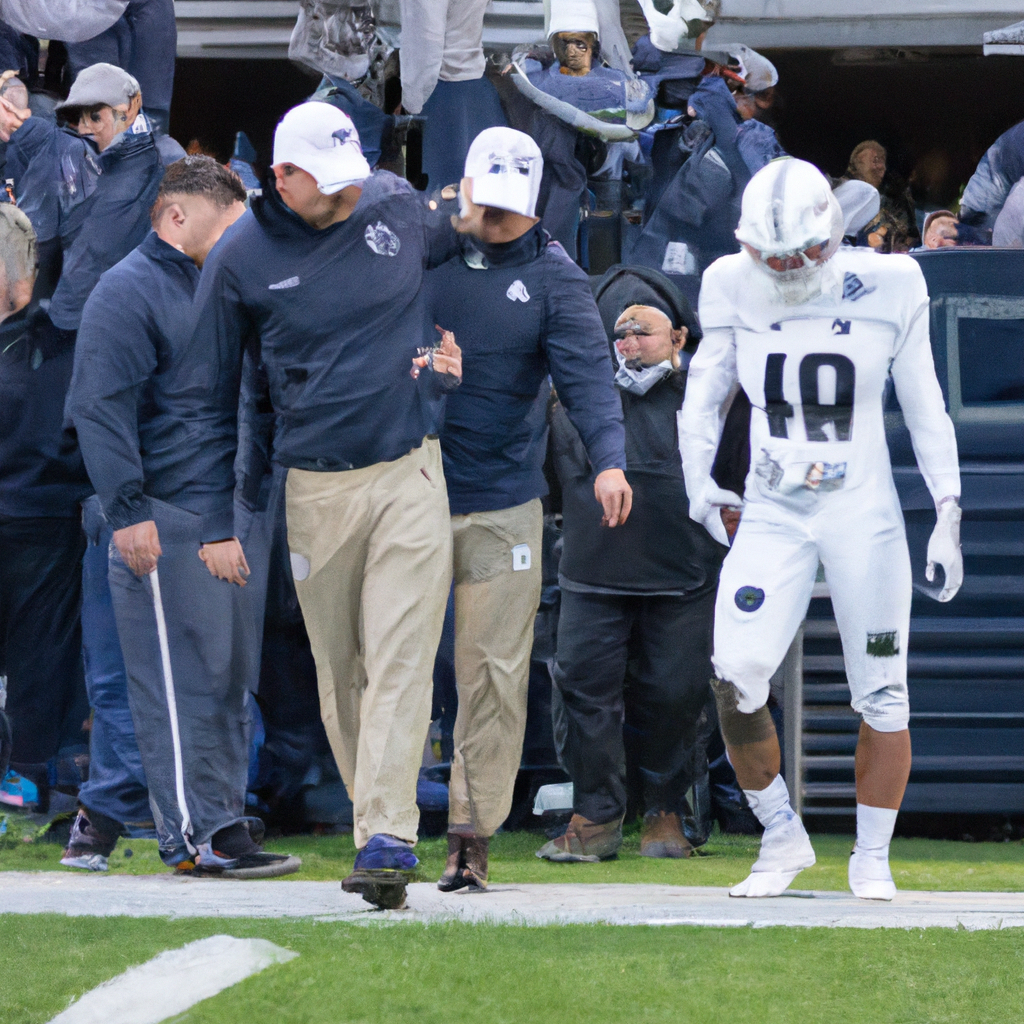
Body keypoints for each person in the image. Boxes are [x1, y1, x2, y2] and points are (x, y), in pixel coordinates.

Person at [186, 101, 463, 909]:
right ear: (281, 178)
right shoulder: (238, 260)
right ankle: (374, 824)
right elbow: (205, 401)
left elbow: (475, 235)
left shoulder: (391, 202)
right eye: (328, 185)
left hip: (412, 468)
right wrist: (215, 519)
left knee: (403, 654)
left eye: (352, 179)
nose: (347, 196)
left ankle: (387, 835)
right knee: (343, 670)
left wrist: (452, 355)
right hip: (313, 486)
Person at [679, 157, 963, 900]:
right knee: (735, 675)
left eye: (801, 252)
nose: (787, 267)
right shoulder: (729, 281)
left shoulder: (893, 282)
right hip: (774, 507)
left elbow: (925, 400)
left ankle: (871, 855)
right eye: (771, 256)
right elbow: (705, 390)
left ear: (835, 235)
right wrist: (698, 483)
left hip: (860, 508)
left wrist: (948, 506)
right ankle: (780, 836)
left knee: (883, 692)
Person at [66, 156, 300, 876]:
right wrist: (128, 510)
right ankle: (195, 838)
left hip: (224, 519)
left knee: (227, 682)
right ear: (175, 216)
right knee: (176, 684)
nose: (238, 240)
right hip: (161, 519)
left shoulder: (222, 287)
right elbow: (99, 407)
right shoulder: (125, 290)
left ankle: (224, 824)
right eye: (226, 226)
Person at [427, 127, 630, 890]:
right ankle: (376, 830)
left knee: (493, 673)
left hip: (503, 502)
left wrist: (609, 462)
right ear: (466, 189)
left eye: (517, 210)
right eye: (492, 207)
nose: (502, 222)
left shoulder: (556, 277)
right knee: (387, 667)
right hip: (407, 491)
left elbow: (587, 381)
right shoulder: (420, 250)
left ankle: (470, 837)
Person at [537, 265, 728, 862]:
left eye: (642, 331)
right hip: (592, 574)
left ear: (679, 337)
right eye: (617, 335)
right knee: (584, 692)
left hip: (685, 575)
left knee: (675, 695)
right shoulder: (569, 399)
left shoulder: (710, 399)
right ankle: (595, 815)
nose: (628, 344)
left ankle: (665, 813)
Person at [0, 204, 91, 809]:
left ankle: (28, 773)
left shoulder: (54, 336)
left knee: (38, 651)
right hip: (36, 505)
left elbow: (65, 428)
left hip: (42, 513)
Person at [839, 140, 919, 253]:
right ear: (857, 165)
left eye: (883, 161)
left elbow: (907, 231)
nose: (881, 167)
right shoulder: (844, 193)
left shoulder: (894, 198)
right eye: (875, 160)